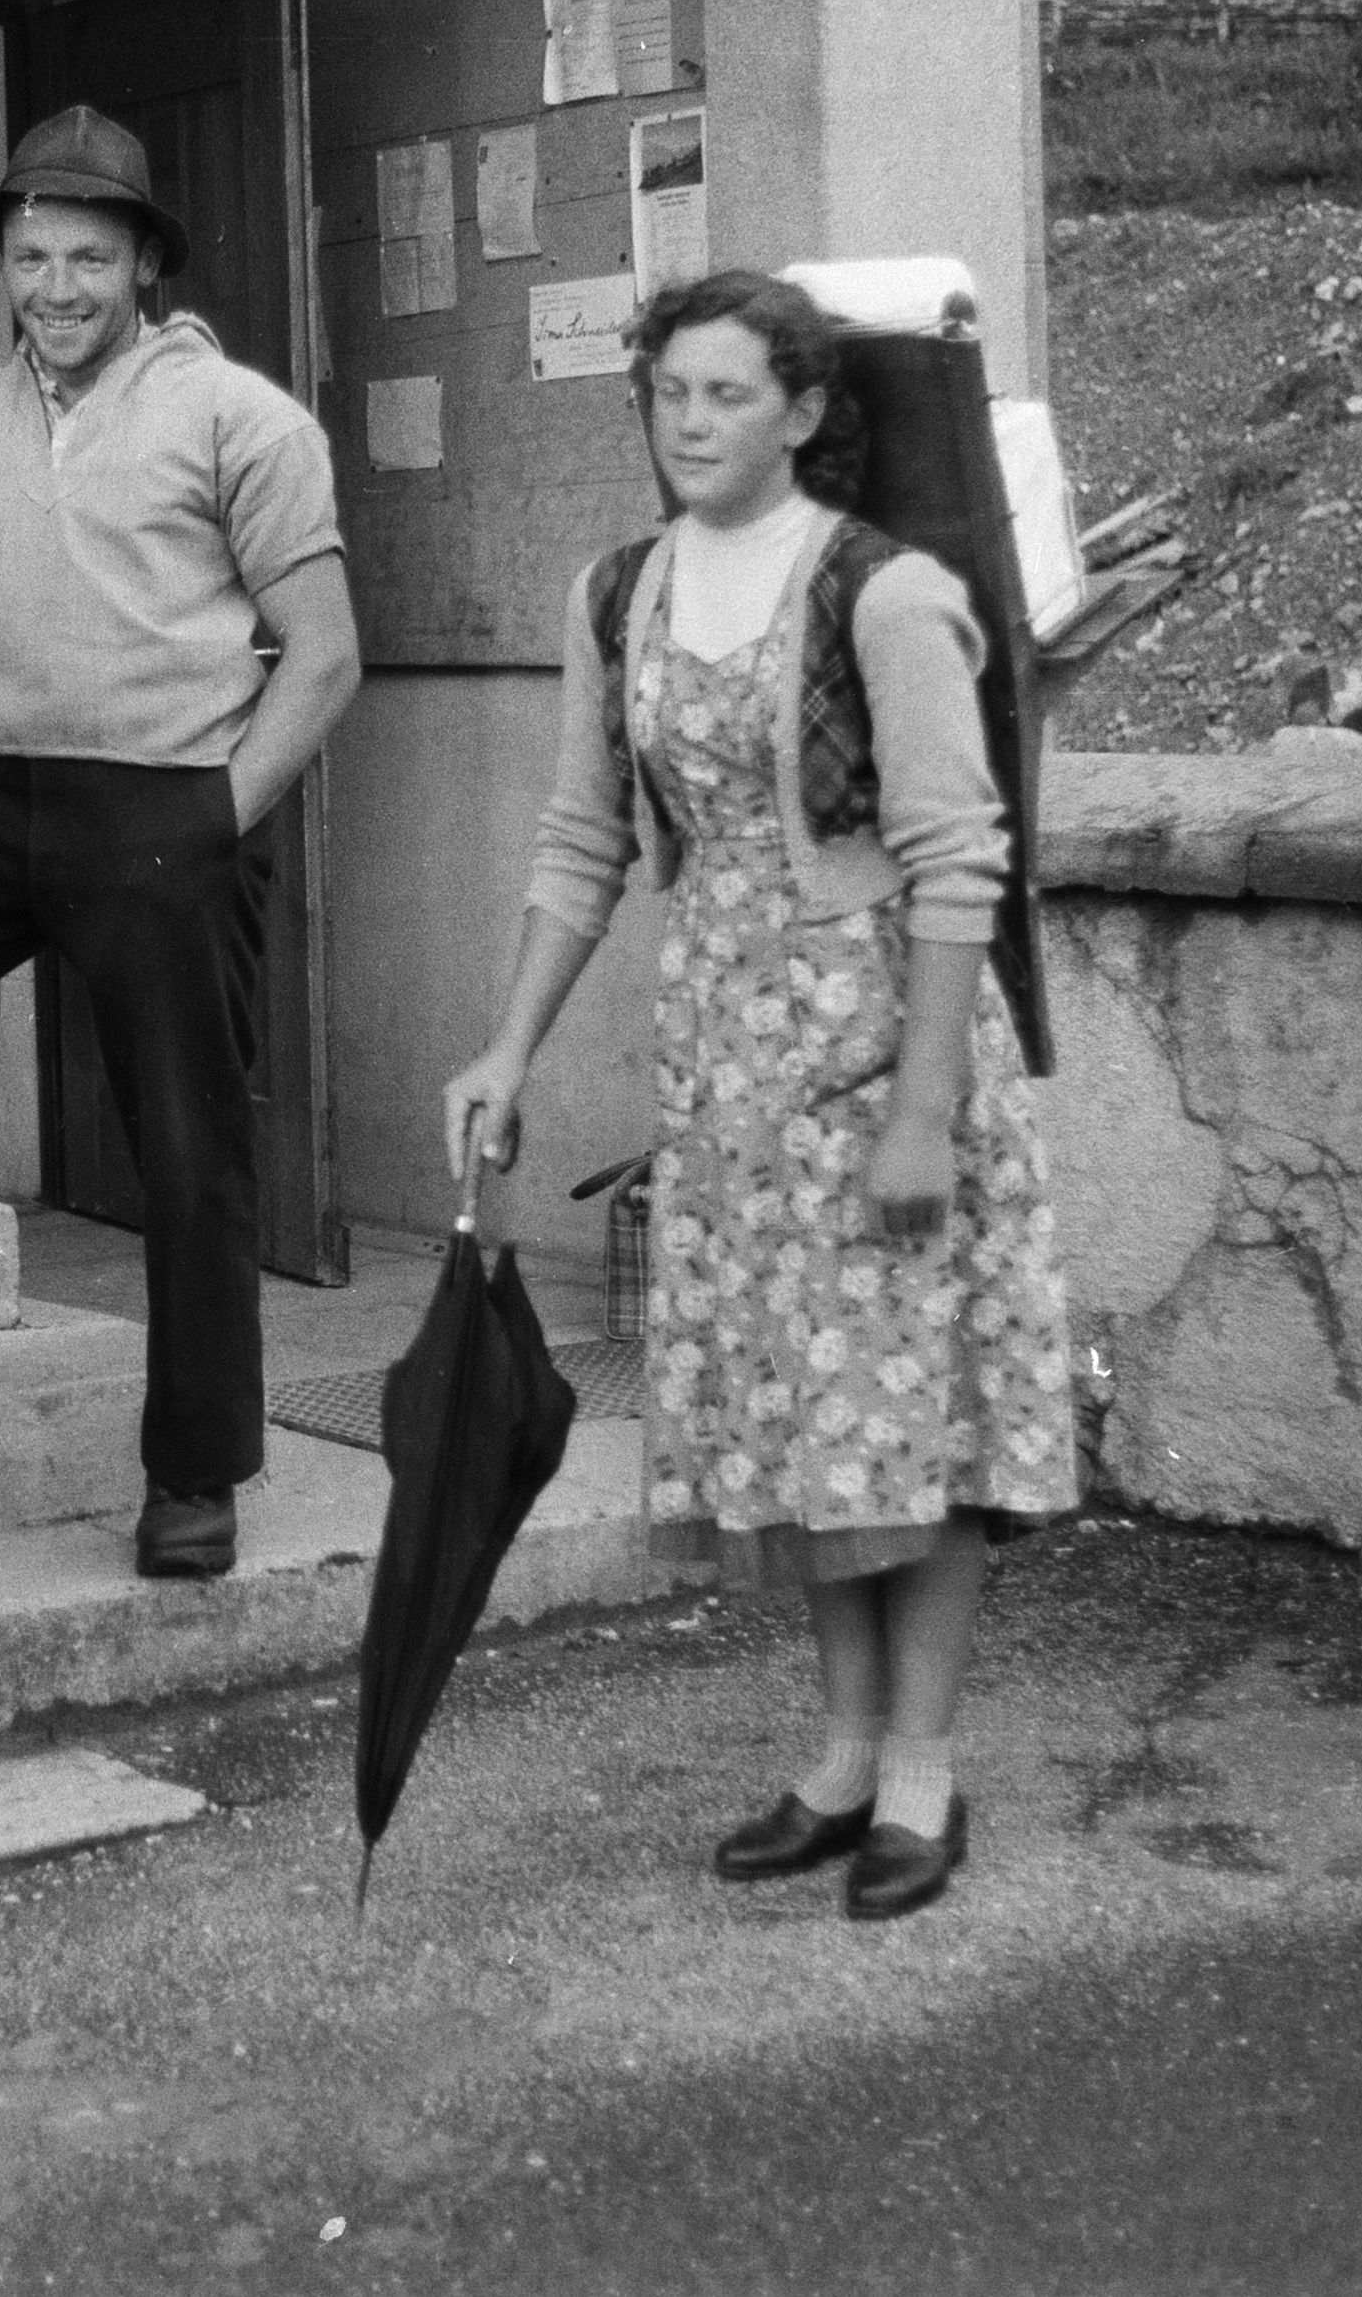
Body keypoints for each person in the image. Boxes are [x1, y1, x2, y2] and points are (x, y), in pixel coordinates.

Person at [439, 270, 1075, 1923]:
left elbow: (957, 863)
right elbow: (581, 840)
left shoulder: (883, 593)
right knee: (806, 1419)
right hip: (728, 1067)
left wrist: (921, 1113)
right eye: (668, 394)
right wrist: (505, 1049)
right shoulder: (618, 595)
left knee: (913, 1417)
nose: (691, 422)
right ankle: (844, 1755)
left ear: (800, 411)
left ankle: (921, 1770)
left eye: (726, 393)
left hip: (884, 1048)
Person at [0, 105, 361, 1581]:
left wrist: (209, 820)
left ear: (141, 265)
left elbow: (323, 656)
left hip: (159, 808)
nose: (55, 287)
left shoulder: (241, 419)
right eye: (32, 256)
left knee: (187, 1145)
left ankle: (194, 1476)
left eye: (88, 258)